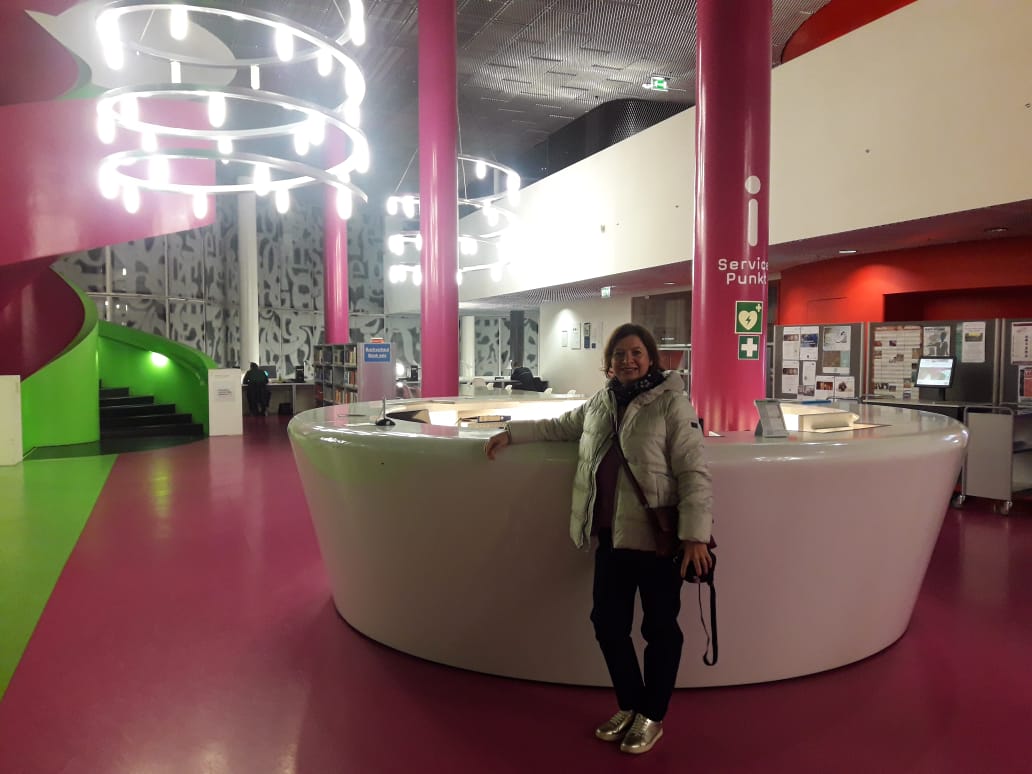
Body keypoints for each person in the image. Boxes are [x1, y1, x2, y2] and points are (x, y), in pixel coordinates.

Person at [484, 323, 713, 755]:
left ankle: (651, 715)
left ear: (650, 358)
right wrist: (511, 434)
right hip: (611, 538)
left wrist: (695, 536)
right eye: (619, 354)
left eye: (636, 353)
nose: (628, 361)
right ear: (608, 363)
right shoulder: (600, 402)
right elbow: (559, 427)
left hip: (659, 543)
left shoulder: (672, 403)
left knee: (660, 629)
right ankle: (630, 704)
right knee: (607, 625)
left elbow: (693, 470)